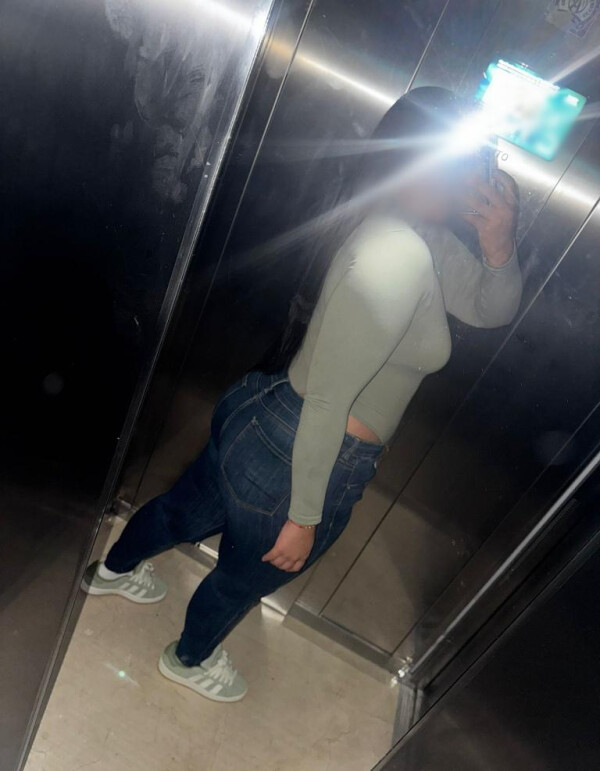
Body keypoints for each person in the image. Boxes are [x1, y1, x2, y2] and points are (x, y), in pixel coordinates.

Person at [82, 87, 522, 702]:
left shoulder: (413, 229)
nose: (480, 179)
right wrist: (303, 519)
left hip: (265, 417)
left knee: (185, 510)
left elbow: (489, 309)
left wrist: (499, 245)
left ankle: (110, 571)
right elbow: (327, 404)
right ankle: (187, 660)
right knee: (241, 579)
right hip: (310, 452)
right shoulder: (397, 256)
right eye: (471, 163)